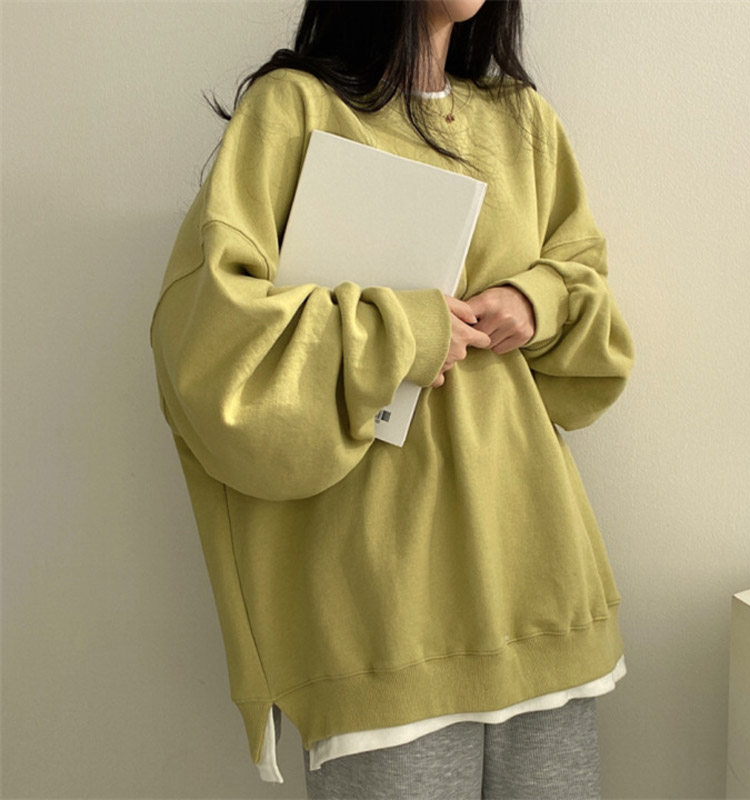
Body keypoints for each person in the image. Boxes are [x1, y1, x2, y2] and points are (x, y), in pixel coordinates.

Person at [149, 0, 635, 797]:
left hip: (540, 587)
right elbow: (212, 354)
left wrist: (538, 298)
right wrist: (402, 331)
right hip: (377, 616)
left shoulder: (523, 121)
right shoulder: (294, 109)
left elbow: (594, 334)